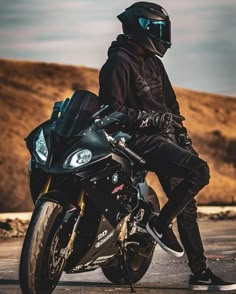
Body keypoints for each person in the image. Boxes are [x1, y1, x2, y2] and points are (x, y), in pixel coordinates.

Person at [99, 2, 236, 291]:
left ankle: (199, 274)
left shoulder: (155, 63)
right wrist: (148, 119)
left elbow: (172, 109)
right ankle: (159, 225)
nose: (164, 36)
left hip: (165, 139)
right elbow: (111, 110)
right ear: (140, 28)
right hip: (138, 142)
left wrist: (183, 139)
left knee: (186, 207)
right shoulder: (119, 62)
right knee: (200, 172)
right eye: (158, 28)